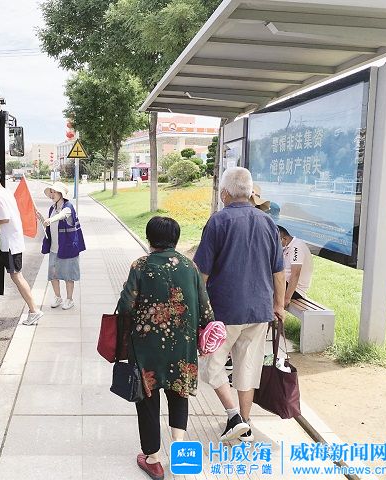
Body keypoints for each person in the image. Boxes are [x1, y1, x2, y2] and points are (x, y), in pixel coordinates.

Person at [117, 217, 214, 480]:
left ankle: (153, 459)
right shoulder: (190, 266)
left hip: (146, 347)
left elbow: (125, 307)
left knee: (148, 399)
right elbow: (206, 311)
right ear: (176, 239)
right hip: (182, 346)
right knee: (179, 393)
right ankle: (180, 451)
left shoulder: (140, 266)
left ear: (150, 238)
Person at [193, 167, 285, 443]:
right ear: (250, 192)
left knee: (211, 364)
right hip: (259, 309)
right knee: (248, 367)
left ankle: (234, 416)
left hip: (224, 311)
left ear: (225, 193)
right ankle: (246, 424)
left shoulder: (218, 222)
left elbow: (202, 272)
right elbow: (279, 271)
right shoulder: (268, 223)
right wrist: (278, 305)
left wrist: (197, 306)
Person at [0, 165, 43, 325]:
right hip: (6, 242)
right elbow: (7, 214)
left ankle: (34, 310)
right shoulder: (6, 192)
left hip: (9, 244)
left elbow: (5, 219)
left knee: (17, 276)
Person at [36, 182, 85, 310]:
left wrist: (50, 219)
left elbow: (62, 215)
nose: (52, 195)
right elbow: (49, 225)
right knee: (53, 275)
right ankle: (58, 297)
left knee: (69, 276)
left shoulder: (68, 207)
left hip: (67, 248)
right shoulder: (52, 208)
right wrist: (42, 218)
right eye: (51, 192)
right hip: (54, 248)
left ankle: (69, 299)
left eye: (54, 192)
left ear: (61, 194)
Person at [278, 225, 314, 306]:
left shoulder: (296, 246)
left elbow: (296, 274)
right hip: (285, 284)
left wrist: (287, 298)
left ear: (284, 239)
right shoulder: (287, 246)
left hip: (296, 290)